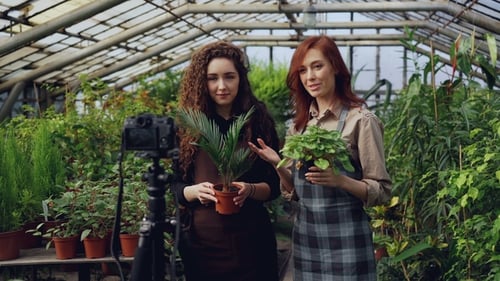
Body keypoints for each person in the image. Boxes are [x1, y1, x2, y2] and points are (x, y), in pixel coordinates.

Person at [248, 35, 392, 280]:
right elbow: (294, 192)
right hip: (307, 239)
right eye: (303, 70)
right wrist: (277, 163)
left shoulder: (361, 121)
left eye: (317, 66)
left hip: (348, 239)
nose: (310, 77)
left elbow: (383, 191)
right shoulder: (299, 127)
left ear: (335, 67)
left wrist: (340, 180)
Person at [171, 41, 281, 281]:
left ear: (240, 78)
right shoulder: (187, 126)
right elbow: (173, 186)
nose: (222, 86)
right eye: (213, 78)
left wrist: (249, 190)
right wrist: (192, 191)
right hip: (202, 243)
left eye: (229, 77)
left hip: (253, 242)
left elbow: (275, 185)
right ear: (202, 81)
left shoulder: (258, 120)